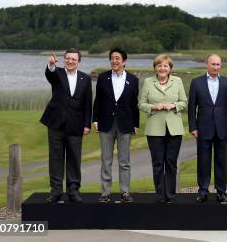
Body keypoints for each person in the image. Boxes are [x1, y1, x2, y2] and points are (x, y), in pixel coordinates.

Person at [41, 49, 92, 203]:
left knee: (74, 158)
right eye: (68, 58)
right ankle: (56, 191)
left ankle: (73, 190)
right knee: (56, 158)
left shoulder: (86, 78)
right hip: (56, 123)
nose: (70, 61)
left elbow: (87, 103)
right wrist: (50, 65)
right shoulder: (58, 73)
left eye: (73, 59)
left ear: (79, 62)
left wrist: (87, 124)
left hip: (76, 125)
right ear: (64, 60)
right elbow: (50, 74)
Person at [188, 54, 227, 204]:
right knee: (203, 160)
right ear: (206, 64)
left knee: (221, 160)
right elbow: (192, 108)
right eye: (213, 64)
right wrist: (193, 127)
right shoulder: (196, 83)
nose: (216, 67)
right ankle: (203, 190)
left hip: (223, 128)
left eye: (218, 64)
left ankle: (221, 191)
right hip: (203, 128)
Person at [92, 47, 139, 203]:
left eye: (117, 58)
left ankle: (125, 192)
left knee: (124, 161)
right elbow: (97, 101)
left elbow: (134, 104)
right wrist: (95, 119)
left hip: (125, 124)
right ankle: (105, 193)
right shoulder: (102, 77)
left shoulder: (133, 80)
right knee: (106, 160)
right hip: (105, 123)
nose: (114, 61)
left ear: (124, 61)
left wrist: (136, 124)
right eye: (112, 58)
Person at [138, 55, 187, 203]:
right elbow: (141, 104)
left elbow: (184, 102)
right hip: (154, 129)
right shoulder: (148, 82)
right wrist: (154, 106)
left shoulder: (177, 81)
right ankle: (160, 194)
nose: (162, 68)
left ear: (170, 68)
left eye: (165, 66)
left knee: (171, 162)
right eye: (159, 65)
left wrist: (174, 106)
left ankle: (170, 195)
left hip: (174, 129)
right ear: (155, 68)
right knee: (158, 162)